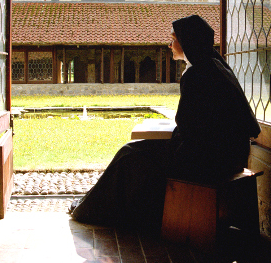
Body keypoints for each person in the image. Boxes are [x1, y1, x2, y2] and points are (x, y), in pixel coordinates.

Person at [70, 15, 261, 235]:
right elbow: (199, 124)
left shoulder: (197, 74)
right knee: (135, 152)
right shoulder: (214, 66)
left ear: (187, 41)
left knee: (130, 155)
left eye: (173, 39)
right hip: (229, 154)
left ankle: (99, 212)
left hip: (211, 160)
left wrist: (169, 141)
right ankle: (97, 207)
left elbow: (191, 130)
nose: (169, 45)